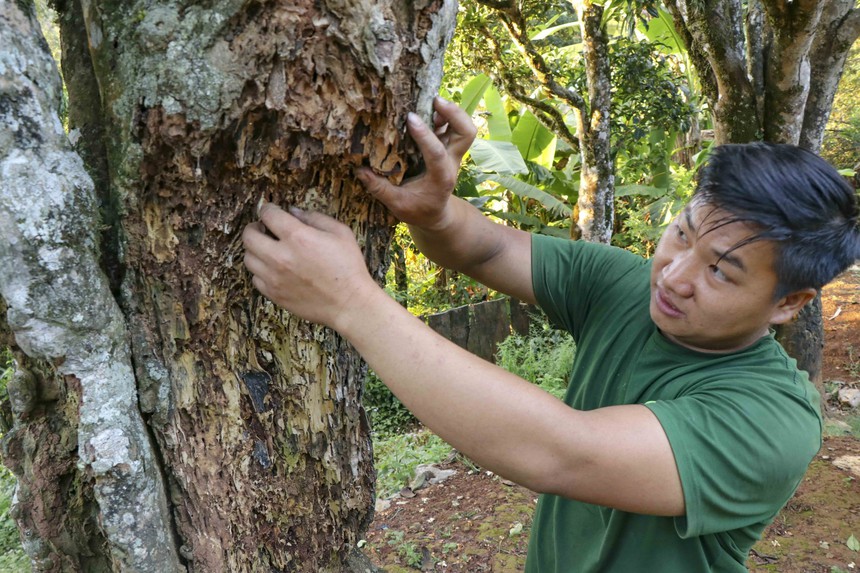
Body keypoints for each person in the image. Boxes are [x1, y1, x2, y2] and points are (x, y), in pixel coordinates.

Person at [242, 97, 860, 572]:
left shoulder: (772, 420)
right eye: (682, 233)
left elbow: (563, 453)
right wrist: (435, 210)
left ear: (789, 303)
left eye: (721, 271)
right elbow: (485, 250)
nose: (675, 275)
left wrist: (351, 302)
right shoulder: (627, 285)